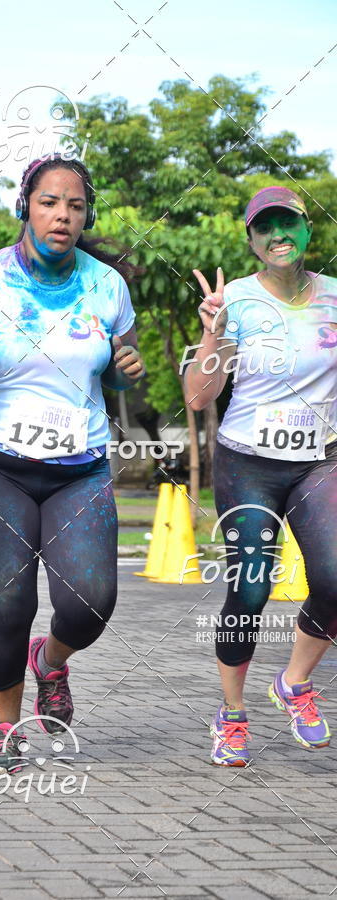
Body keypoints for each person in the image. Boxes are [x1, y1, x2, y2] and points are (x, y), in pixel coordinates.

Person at [0, 154, 144, 773]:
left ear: (86, 217)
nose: (62, 215)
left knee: (91, 603)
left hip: (80, 469)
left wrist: (127, 370)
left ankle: (51, 661)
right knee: (8, 603)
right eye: (49, 202)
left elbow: (118, 366)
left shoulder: (107, 286)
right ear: (25, 207)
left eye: (75, 206)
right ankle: (7, 727)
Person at [185, 185, 337, 766]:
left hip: (319, 459)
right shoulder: (234, 301)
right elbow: (199, 398)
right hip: (247, 462)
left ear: (307, 230)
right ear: (251, 240)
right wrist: (213, 331)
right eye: (265, 227)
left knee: (335, 579)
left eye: (288, 223)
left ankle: (295, 682)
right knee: (250, 588)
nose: (278, 235)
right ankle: (232, 714)